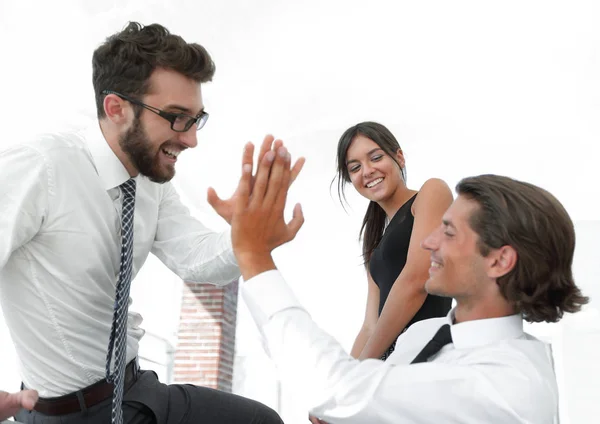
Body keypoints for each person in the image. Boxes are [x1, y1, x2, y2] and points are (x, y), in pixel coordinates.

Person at [0, 22, 303, 424]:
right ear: (116, 108)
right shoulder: (41, 167)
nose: (191, 139)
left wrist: (247, 238)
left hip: (136, 388)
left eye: (197, 119)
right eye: (177, 118)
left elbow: (195, 259)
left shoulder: (148, 181)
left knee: (259, 421)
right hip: (67, 412)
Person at [229, 147, 589, 424]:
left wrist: (254, 255)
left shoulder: (511, 386)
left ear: (499, 260)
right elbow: (358, 393)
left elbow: (341, 389)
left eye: (448, 231)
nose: (429, 242)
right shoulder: (424, 335)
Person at [334, 122, 453, 362]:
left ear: (399, 157)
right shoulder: (374, 241)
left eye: (376, 157)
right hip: (390, 366)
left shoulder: (431, 193)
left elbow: (416, 279)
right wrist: (347, 378)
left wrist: (364, 372)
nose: (367, 171)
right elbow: (370, 325)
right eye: (355, 167)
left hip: (428, 357)